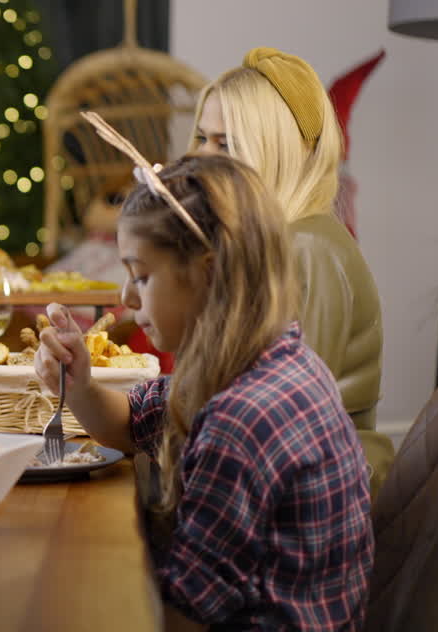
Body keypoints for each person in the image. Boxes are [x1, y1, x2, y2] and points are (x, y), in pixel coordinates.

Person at [35, 153, 372, 630]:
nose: (127, 298)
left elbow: (180, 617)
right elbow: (132, 423)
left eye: (142, 275)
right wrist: (82, 383)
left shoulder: (243, 417)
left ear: (208, 273)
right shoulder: (268, 359)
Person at [189, 46, 392, 495]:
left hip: (321, 491)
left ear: (283, 151)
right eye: (202, 138)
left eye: (227, 144)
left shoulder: (305, 248)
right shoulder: (270, 241)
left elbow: (285, 415)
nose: (203, 157)